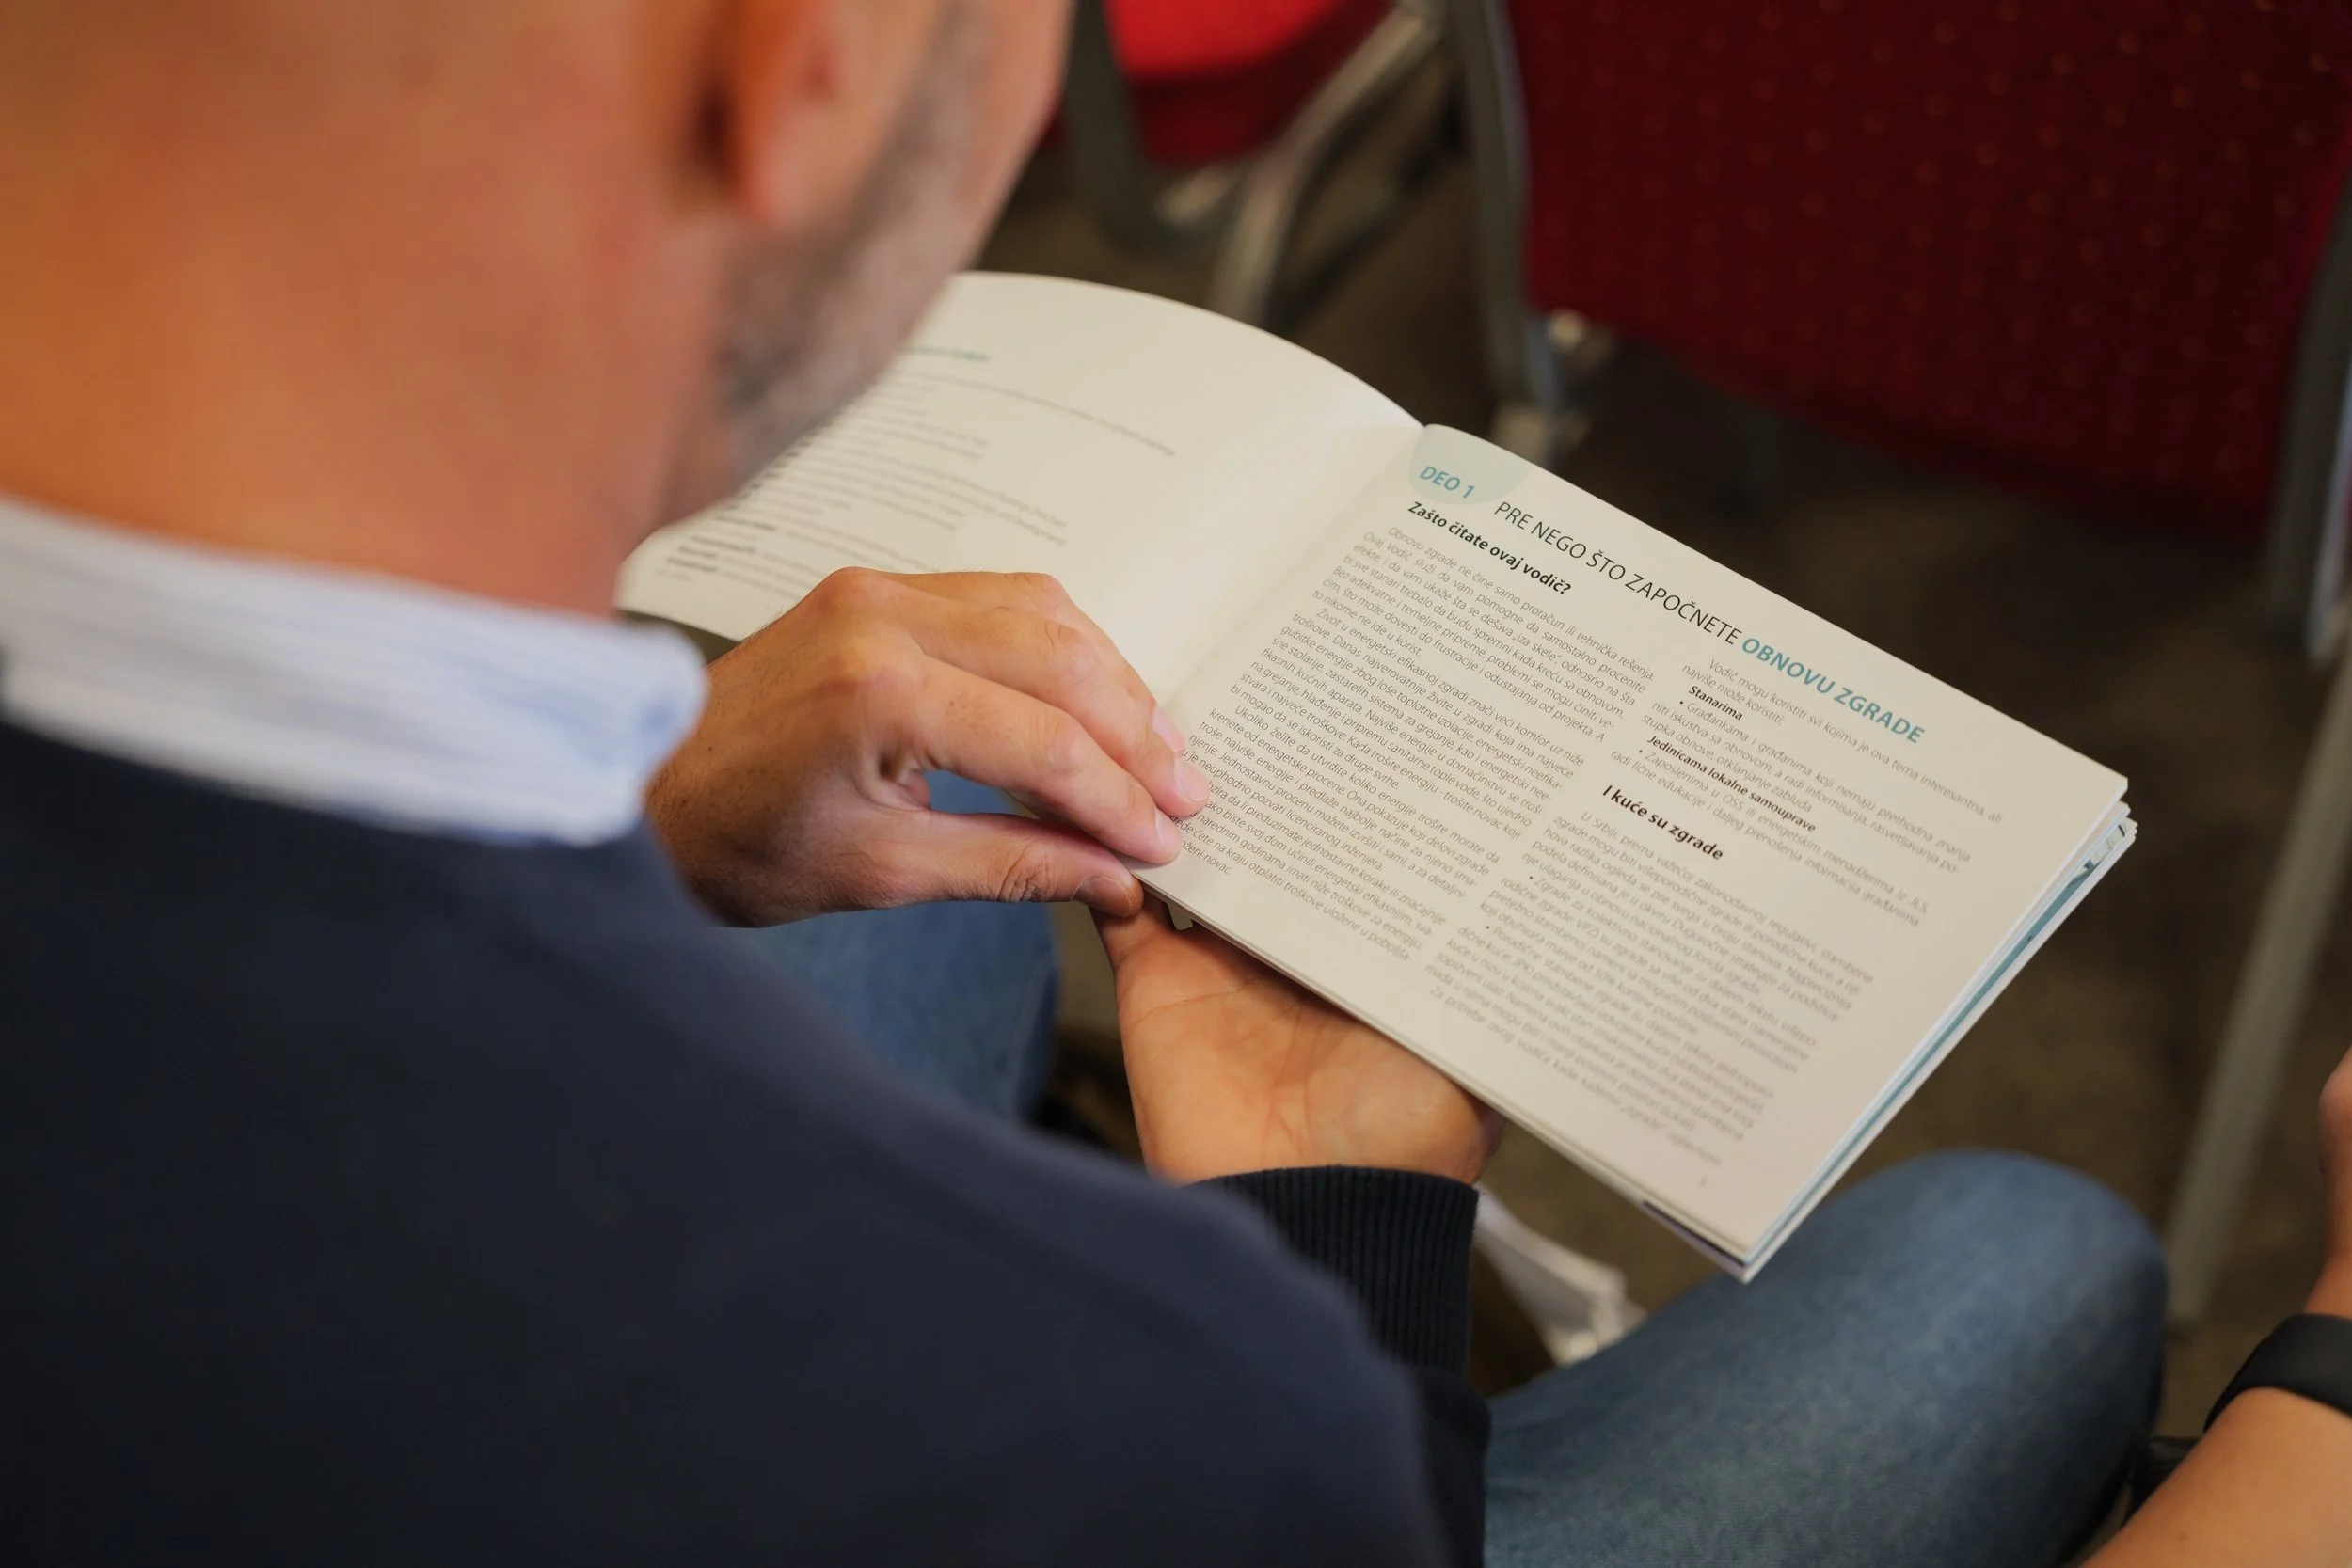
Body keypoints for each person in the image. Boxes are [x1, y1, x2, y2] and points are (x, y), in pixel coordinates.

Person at [0, 1, 2341, 1562]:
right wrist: (1332, 1257)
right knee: (2021, 1255)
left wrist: (671, 830)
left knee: (925, 873)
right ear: (804, 75)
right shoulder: (1179, 1426)